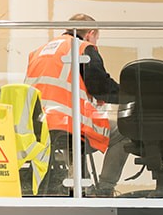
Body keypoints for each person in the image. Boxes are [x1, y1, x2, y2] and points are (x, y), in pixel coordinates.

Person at [24, 14, 118, 196]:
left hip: (35, 126)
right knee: (123, 132)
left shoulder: (38, 51)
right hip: (66, 122)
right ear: (91, 33)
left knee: (65, 138)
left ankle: (80, 182)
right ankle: (105, 189)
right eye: (97, 38)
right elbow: (101, 87)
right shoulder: (83, 48)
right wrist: (132, 94)